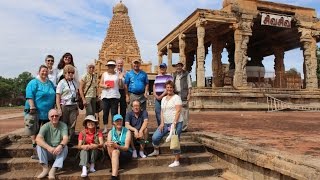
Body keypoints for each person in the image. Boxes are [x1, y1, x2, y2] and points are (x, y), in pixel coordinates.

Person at [148, 80, 183, 168]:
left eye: (171, 87)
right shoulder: (163, 98)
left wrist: (174, 124)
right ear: (165, 88)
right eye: (167, 87)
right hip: (166, 123)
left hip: (176, 123)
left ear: (173, 88)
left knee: (175, 140)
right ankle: (156, 150)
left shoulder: (176, 98)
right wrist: (162, 123)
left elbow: (178, 111)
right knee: (155, 137)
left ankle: (176, 160)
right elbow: (162, 111)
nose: (169, 89)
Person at [24, 65, 56, 159]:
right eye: (43, 71)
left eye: (46, 71)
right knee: (34, 132)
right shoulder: (33, 82)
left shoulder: (50, 83)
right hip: (35, 111)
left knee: (45, 132)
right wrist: (32, 106)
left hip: (47, 113)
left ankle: (44, 151)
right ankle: (36, 152)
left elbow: (54, 94)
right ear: (39, 72)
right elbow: (29, 95)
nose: (44, 73)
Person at [35, 109, 68, 179]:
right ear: (49, 118)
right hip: (48, 152)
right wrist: (48, 147)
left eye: (56, 116)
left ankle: (53, 170)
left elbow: (65, 138)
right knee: (39, 145)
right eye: (52, 116)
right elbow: (38, 139)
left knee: (65, 147)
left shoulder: (63, 125)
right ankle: (45, 169)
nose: (54, 117)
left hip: (58, 151)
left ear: (59, 117)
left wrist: (60, 146)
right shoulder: (45, 126)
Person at [56, 64, 79, 145]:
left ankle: (71, 139)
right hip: (64, 106)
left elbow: (76, 95)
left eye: (72, 72)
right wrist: (59, 108)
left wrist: (78, 108)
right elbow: (58, 96)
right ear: (64, 73)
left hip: (73, 105)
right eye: (68, 72)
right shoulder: (61, 83)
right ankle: (63, 140)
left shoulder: (75, 83)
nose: (70, 74)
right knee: (64, 123)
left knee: (72, 123)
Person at [99, 60, 124, 134]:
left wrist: (120, 78)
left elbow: (121, 86)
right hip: (105, 96)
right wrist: (104, 86)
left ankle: (113, 127)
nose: (111, 67)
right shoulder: (104, 74)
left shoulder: (117, 74)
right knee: (105, 112)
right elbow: (100, 84)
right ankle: (105, 127)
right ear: (107, 67)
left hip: (114, 96)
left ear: (114, 67)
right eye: (109, 66)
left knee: (114, 113)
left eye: (112, 66)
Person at [106, 114, 132, 180]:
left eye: (120, 121)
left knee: (115, 151)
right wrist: (107, 143)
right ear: (114, 123)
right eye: (117, 121)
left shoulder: (127, 131)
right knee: (111, 147)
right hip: (113, 153)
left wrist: (117, 146)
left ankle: (114, 175)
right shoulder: (110, 132)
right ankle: (115, 173)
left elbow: (126, 147)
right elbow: (108, 144)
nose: (119, 122)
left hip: (125, 153)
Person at [173, 62, 192, 131]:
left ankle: (184, 127)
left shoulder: (186, 74)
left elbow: (189, 84)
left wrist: (189, 94)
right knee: (176, 111)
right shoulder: (174, 74)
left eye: (179, 66)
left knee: (185, 112)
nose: (178, 68)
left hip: (184, 94)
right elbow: (172, 84)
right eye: (177, 66)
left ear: (182, 67)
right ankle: (177, 126)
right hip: (176, 95)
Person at [116, 58, 127, 124]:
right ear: (116, 64)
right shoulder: (113, 72)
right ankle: (116, 124)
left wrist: (124, 75)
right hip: (115, 91)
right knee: (115, 109)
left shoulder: (126, 72)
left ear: (123, 64)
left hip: (123, 91)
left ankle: (122, 124)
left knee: (123, 108)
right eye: (118, 64)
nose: (119, 65)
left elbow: (127, 82)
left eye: (121, 64)